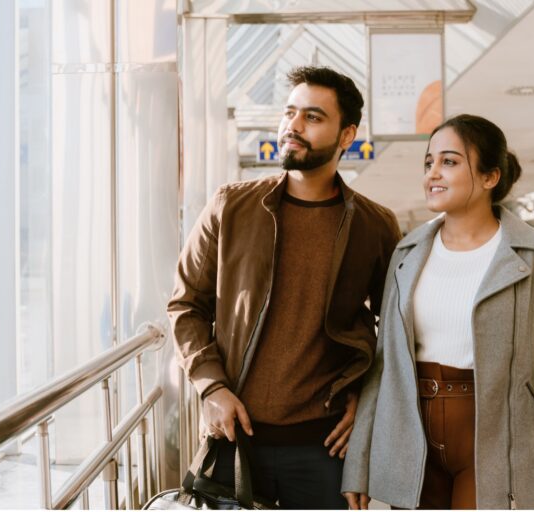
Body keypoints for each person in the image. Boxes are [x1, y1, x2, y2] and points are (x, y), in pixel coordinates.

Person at [341, 114, 534, 510]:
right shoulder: (406, 254)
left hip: (496, 441)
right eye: (429, 162)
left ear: (490, 177)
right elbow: (385, 366)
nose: (433, 173)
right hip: (413, 442)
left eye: (449, 161)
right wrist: (359, 463)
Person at [168, 65, 400, 509]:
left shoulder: (374, 225)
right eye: (289, 113)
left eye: (312, 117)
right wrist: (211, 387)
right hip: (233, 439)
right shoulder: (231, 207)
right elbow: (185, 305)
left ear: (347, 135)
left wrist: (367, 401)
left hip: (325, 447)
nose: (293, 125)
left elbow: (395, 325)